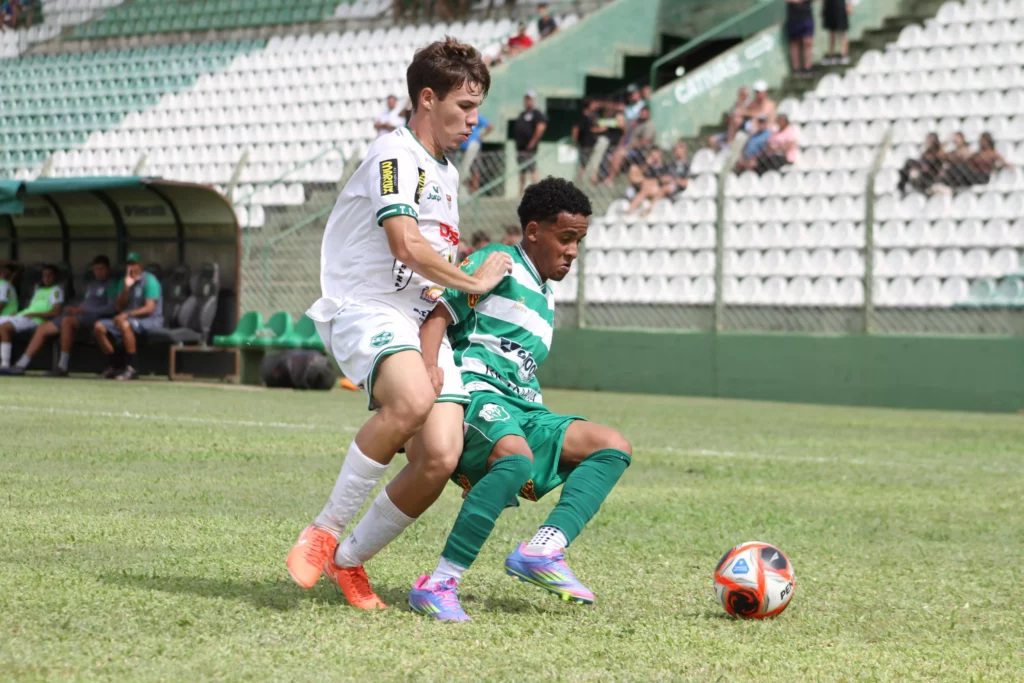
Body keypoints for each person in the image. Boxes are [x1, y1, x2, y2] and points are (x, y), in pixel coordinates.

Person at [288, 38, 514, 610]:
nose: (473, 119)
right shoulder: (394, 155)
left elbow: (430, 284)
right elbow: (406, 244)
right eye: (464, 107)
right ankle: (324, 529)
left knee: (439, 455)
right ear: (427, 98)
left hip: (417, 324)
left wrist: (434, 348)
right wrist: (476, 280)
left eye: (477, 107)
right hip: (366, 308)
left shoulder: (447, 174)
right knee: (411, 403)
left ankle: (349, 562)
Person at [407, 178, 632, 621]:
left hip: (526, 409)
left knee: (612, 446)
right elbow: (440, 314)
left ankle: (543, 551)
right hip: (475, 395)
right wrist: (427, 375)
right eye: (565, 238)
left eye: (579, 241)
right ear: (533, 231)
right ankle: (439, 583)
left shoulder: (545, 295)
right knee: (515, 460)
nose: (572, 251)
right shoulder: (498, 263)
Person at [6, 255, 117, 377]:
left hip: (94, 317)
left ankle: (62, 367)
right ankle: (21, 365)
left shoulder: (112, 285)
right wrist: (74, 308)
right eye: (96, 269)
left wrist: (84, 311)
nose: (98, 272)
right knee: (43, 327)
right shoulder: (91, 285)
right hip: (79, 315)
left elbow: (111, 308)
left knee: (67, 321)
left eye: (101, 269)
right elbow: (85, 303)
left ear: (108, 269)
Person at [93, 253, 163, 381]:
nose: (131, 267)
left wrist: (126, 315)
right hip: (128, 318)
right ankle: (115, 365)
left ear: (141, 265)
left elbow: (149, 308)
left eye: (134, 264)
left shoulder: (150, 281)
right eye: (128, 264)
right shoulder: (124, 281)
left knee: (125, 324)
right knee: (99, 327)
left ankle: (132, 367)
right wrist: (126, 288)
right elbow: (119, 307)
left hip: (150, 320)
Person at [0, 264, 63, 372]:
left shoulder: (56, 290)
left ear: (55, 277)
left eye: (50, 275)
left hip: (36, 319)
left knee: (4, 327)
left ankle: (5, 364)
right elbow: (31, 308)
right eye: (44, 276)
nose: (46, 278)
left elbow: (56, 311)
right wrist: (18, 314)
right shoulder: (39, 290)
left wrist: (36, 315)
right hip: (24, 316)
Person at [935, 132, 1014, 191]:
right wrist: (947, 142)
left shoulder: (992, 153)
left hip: (983, 176)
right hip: (973, 175)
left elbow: (1004, 162)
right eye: (982, 140)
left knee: (959, 167)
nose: (983, 142)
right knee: (955, 166)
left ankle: (946, 183)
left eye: (985, 140)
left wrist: (1002, 167)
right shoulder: (977, 153)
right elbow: (942, 156)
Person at [602, 105, 656, 185]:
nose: (642, 115)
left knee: (620, 154)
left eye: (645, 113)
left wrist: (627, 147)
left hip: (641, 152)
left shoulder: (649, 125)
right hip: (629, 149)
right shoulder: (636, 123)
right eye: (641, 113)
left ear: (649, 114)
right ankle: (608, 177)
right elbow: (625, 136)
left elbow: (644, 142)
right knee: (611, 156)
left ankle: (610, 179)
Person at [513, 90, 548, 195]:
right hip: (520, 148)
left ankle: (537, 192)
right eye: (527, 99)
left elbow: (541, 127)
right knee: (522, 170)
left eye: (530, 99)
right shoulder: (522, 114)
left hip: (530, 148)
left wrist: (533, 142)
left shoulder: (536, 113)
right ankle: (521, 192)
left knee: (532, 169)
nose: (528, 101)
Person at [572, 97, 605, 180]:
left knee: (594, 162)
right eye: (593, 104)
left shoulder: (592, 116)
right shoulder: (582, 116)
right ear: (588, 105)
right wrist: (574, 142)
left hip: (592, 142)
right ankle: (581, 180)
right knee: (584, 164)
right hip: (586, 144)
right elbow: (576, 129)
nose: (595, 105)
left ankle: (592, 180)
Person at [459, 113, 493, 194]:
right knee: (462, 171)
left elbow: (490, 126)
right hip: (462, 148)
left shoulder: (477, 117)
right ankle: (467, 187)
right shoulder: (462, 116)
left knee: (475, 170)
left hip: (473, 149)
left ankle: (474, 192)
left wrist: (482, 136)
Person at [786, 0, 815, 78]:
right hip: (794, 17)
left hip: (807, 16)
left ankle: (808, 67)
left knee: (808, 41)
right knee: (795, 43)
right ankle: (796, 69)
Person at [822, 0, 852, 65]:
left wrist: (849, 5)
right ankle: (831, 56)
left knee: (842, 31)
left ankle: (844, 55)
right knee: (831, 32)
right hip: (829, 5)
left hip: (840, 5)